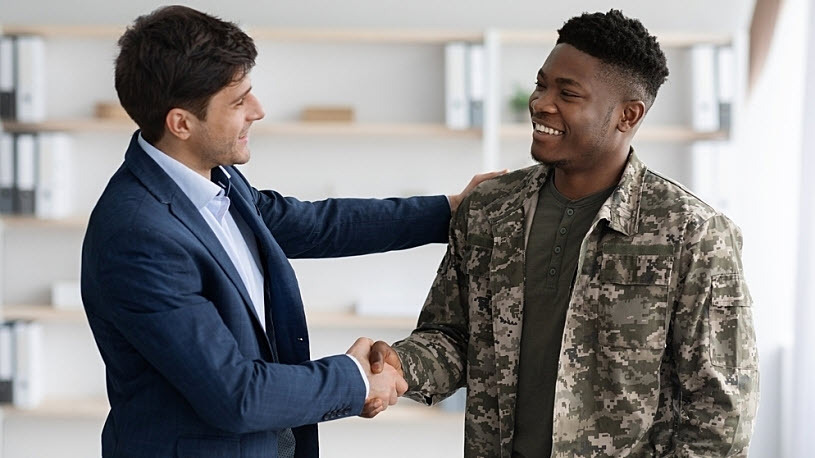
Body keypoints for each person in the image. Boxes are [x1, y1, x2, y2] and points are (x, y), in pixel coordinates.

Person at [80, 5, 499, 457]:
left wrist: (451, 212)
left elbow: (313, 225)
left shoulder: (214, 178)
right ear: (181, 122)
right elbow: (236, 394)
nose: (258, 111)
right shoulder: (139, 236)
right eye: (239, 101)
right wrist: (355, 379)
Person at [366, 9, 759, 458]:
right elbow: (452, 337)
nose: (541, 103)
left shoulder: (694, 233)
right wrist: (402, 364)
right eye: (541, 84)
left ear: (627, 115)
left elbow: (721, 412)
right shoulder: (489, 209)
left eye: (567, 93)